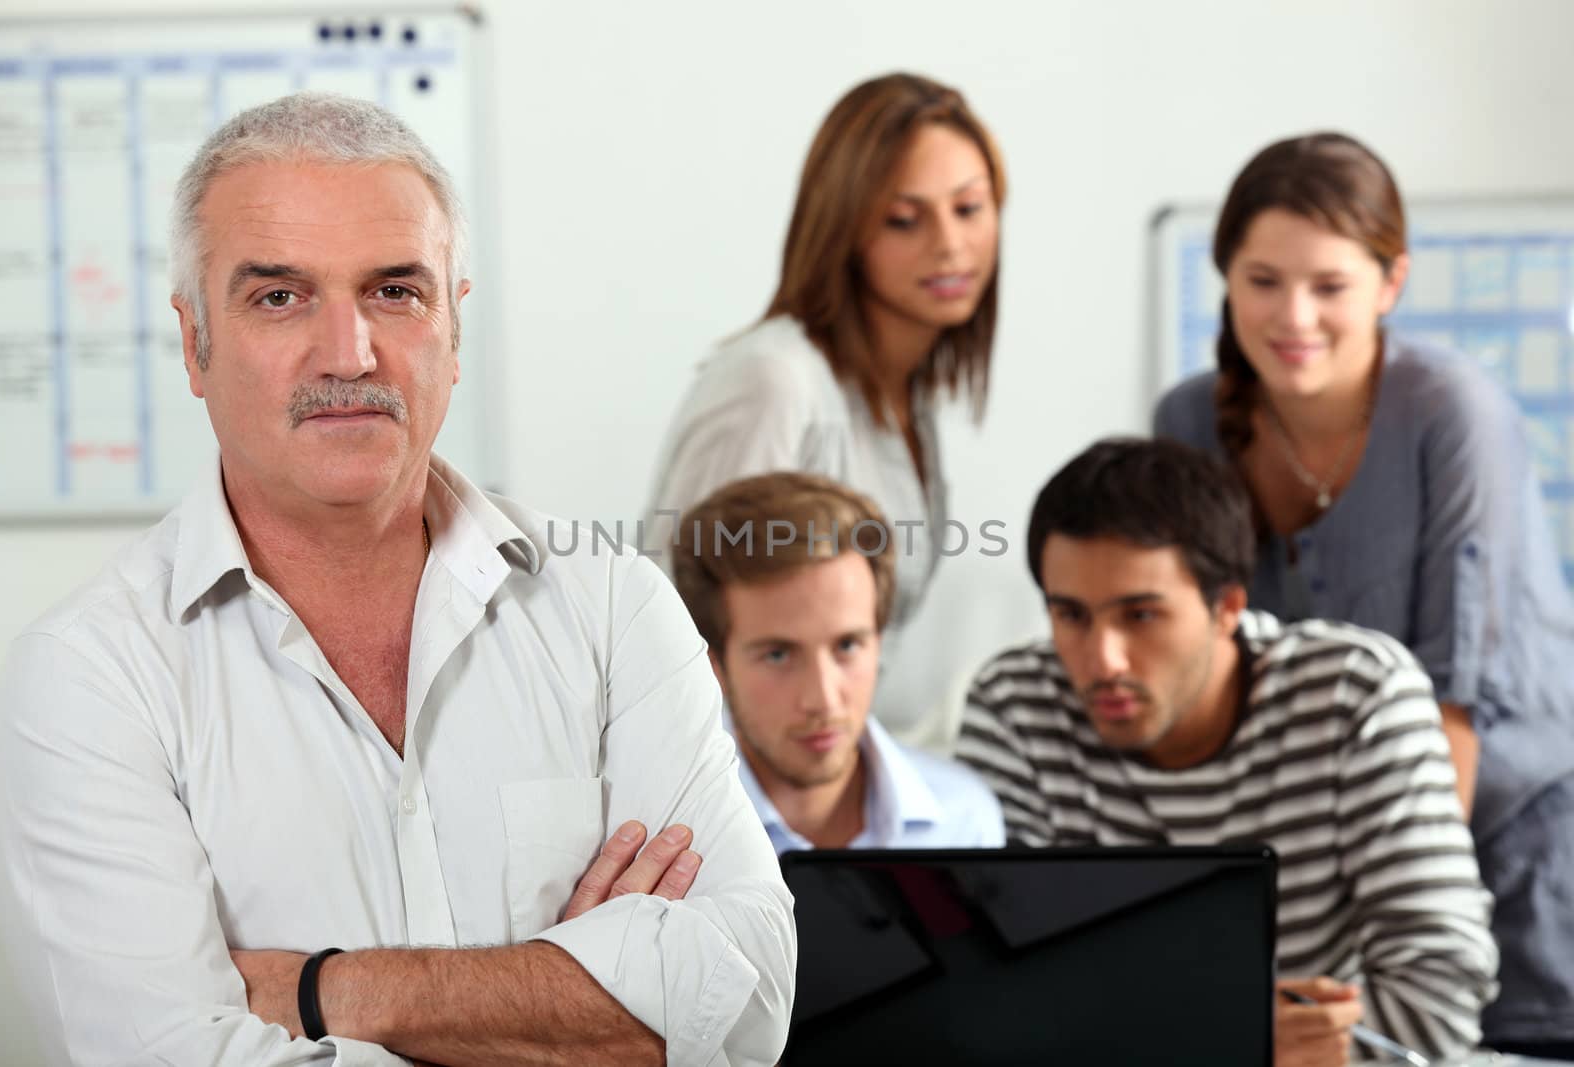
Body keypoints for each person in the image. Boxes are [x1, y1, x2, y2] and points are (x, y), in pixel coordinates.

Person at [0, 93, 795, 1067]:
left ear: (452, 329)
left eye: (394, 291)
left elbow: (746, 1002)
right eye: (279, 296)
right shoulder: (88, 679)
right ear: (193, 341)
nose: (348, 353)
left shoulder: (612, 606)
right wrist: (575, 995)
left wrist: (324, 988)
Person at [1153, 131, 1574, 1058]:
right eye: (1261, 280)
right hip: (1306, 859)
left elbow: (1450, 715)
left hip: (1504, 845)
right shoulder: (1188, 420)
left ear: (1391, 284)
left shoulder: (1450, 411)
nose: (1292, 315)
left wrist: (1367, 915)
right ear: (1226, 277)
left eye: (1329, 286)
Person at [956, 438, 1497, 1065]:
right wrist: (1234, 1036)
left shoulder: (1355, 694)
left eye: (1140, 615)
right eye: (1070, 615)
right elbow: (988, 996)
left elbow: (1441, 1001)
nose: (1103, 660)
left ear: (1228, 608)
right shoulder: (1015, 703)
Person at [643, 72, 1004, 748]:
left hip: (835, 771)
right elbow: (677, 643)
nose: (951, 243)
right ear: (844, 229)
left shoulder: (908, 392)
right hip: (747, 796)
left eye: (970, 208)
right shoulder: (773, 382)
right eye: (905, 218)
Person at [669, 471, 1003, 853]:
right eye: (778, 655)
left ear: (879, 639)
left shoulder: (964, 822)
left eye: (847, 645)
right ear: (713, 665)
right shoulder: (661, 837)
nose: (823, 699)